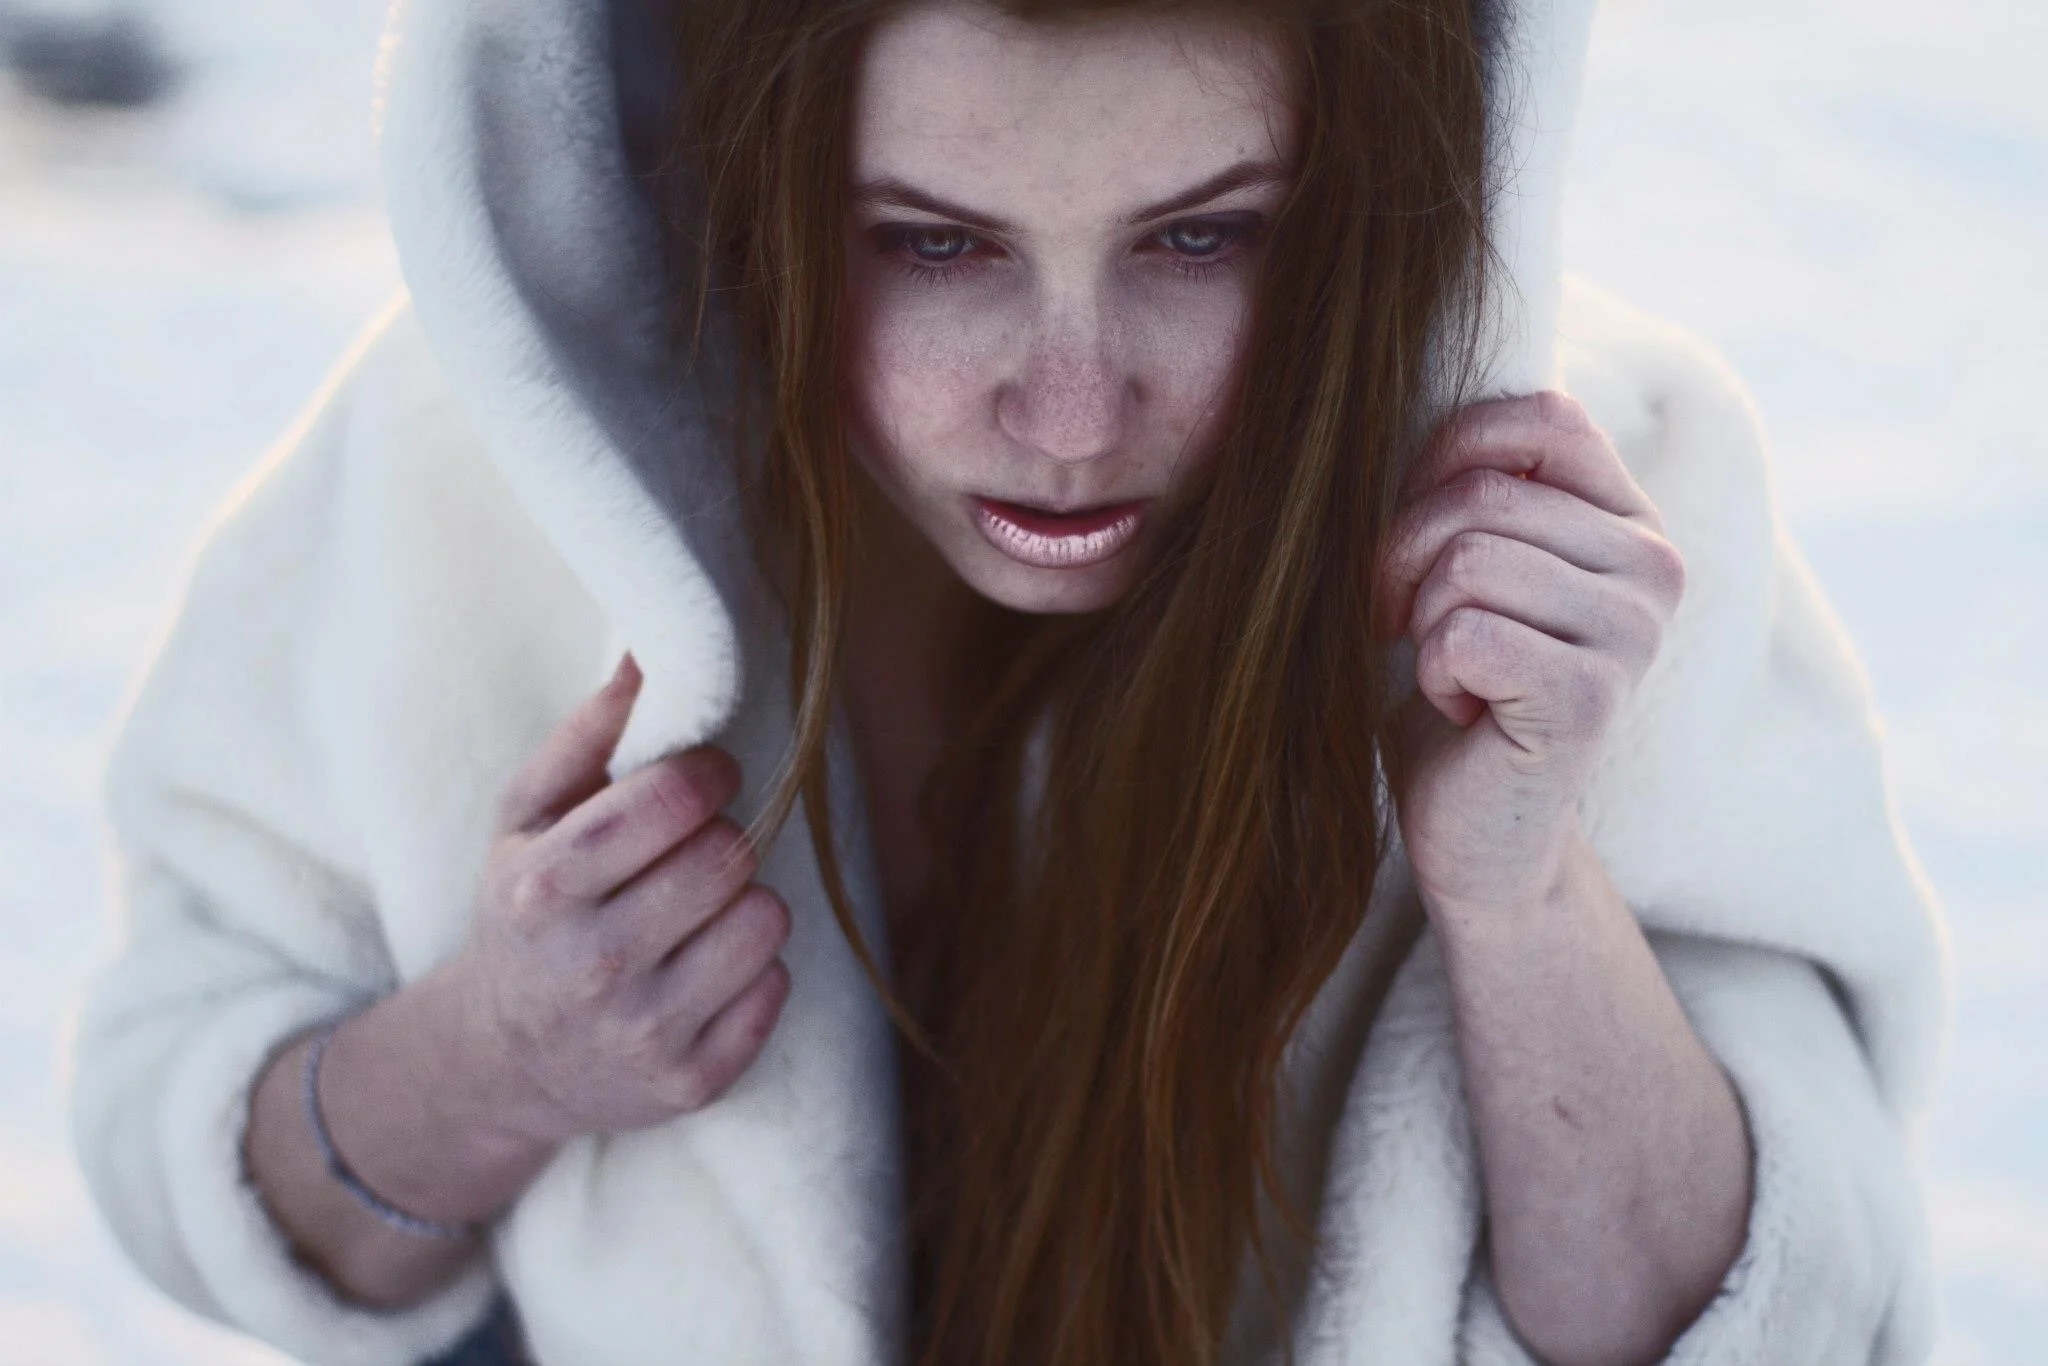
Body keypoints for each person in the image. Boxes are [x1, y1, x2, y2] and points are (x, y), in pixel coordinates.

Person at [67, 0, 1948, 1363]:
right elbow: (180, 1147)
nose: (1067, 412)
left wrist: (1524, 895)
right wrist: (489, 1060)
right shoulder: (481, 465)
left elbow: (1793, 1320)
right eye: (932, 243)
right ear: (746, 185)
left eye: (1203, 235)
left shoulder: (1587, 529)